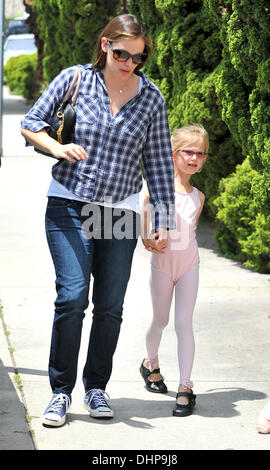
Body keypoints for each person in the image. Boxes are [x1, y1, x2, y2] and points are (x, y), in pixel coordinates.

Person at [20, 14, 175, 427]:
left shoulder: (151, 98)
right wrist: (57, 148)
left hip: (120, 209)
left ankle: (95, 387)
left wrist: (162, 220)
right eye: (122, 53)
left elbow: (159, 162)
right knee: (72, 297)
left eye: (138, 58)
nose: (129, 63)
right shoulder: (75, 79)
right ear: (106, 44)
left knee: (109, 305)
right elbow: (31, 123)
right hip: (70, 203)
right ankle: (60, 392)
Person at [140, 124, 209, 417]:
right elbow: (144, 206)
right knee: (160, 320)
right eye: (188, 151)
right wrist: (146, 235)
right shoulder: (158, 188)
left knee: (184, 324)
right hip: (162, 266)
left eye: (201, 153)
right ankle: (150, 363)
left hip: (189, 266)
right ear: (173, 154)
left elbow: (190, 231)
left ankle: (185, 386)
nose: (194, 158)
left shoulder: (199, 197)